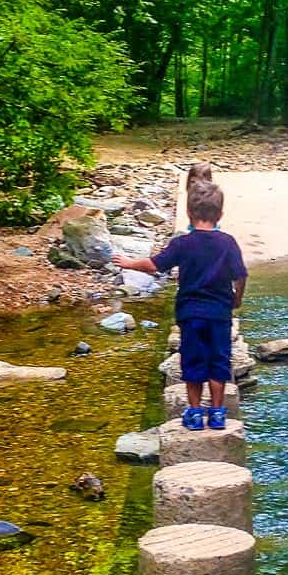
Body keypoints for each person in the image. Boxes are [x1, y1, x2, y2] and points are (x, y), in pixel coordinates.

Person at [111, 180, 247, 431]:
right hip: (219, 313)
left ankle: (194, 413)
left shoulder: (182, 244)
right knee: (219, 361)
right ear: (220, 214)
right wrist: (236, 299)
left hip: (191, 313)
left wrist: (129, 263)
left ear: (188, 213)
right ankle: (217, 413)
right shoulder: (228, 243)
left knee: (193, 361)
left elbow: (155, 265)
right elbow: (240, 275)